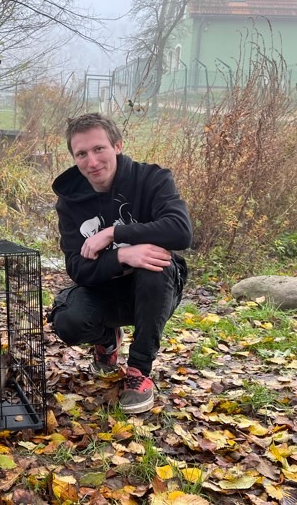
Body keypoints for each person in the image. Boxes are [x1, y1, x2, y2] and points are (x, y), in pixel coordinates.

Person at [48, 113, 192, 414]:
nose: (92, 161)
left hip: (156, 289)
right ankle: (106, 339)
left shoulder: (152, 179)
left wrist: (115, 233)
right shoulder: (69, 202)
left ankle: (139, 371)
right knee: (68, 320)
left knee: (156, 263)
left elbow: (180, 231)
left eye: (99, 149)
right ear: (74, 158)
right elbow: (77, 268)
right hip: (107, 289)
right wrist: (121, 255)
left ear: (117, 145)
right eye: (82, 154)